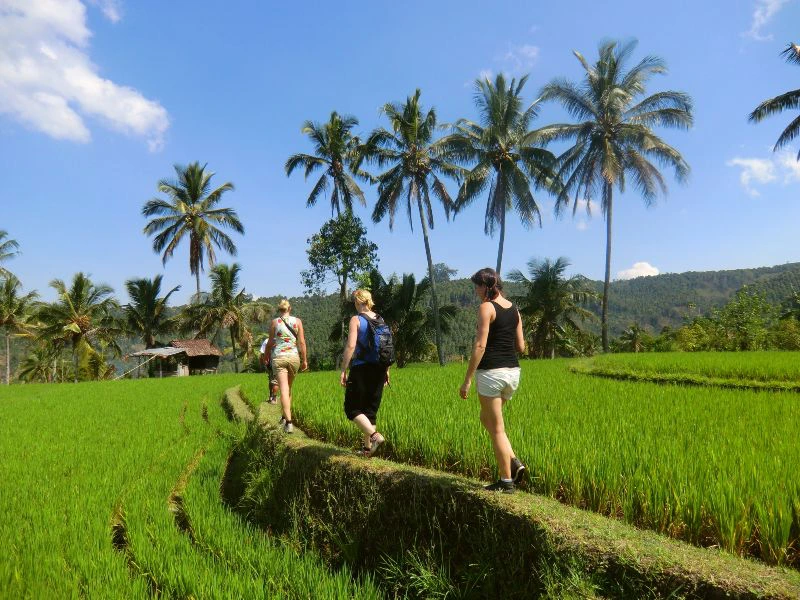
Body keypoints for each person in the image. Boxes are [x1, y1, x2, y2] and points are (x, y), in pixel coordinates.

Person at [459, 268, 526, 493]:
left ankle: (506, 481)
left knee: (497, 429)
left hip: (491, 373)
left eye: (477, 286)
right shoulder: (515, 309)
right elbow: (521, 346)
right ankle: (514, 462)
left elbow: (480, 346)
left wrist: (467, 380)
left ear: (486, 286)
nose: (476, 291)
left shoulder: (486, 307)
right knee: (486, 418)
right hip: (513, 373)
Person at [340, 289, 390, 456]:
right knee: (370, 411)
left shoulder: (356, 319)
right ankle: (367, 449)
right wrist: (387, 370)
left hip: (362, 368)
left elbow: (351, 345)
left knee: (352, 409)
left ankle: (375, 436)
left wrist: (343, 369)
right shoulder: (380, 319)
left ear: (357, 302)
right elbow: (386, 347)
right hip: (380, 368)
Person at [264, 299, 308, 433]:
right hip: (294, 358)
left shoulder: (275, 322)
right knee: (288, 388)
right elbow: (302, 342)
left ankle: (288, 422)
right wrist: (305, 360)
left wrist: (266, 356)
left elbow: (270, 343)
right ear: (290, 308)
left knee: (283, 389)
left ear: (279, 309)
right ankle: (285, 417)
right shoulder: (297, 321)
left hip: (279, 357)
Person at [259, 337, 279, 404]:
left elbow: (262, 353)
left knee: (272, 380)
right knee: (275, 380)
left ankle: (271, 396)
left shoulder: (267, 340)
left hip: (271, 363)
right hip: (278, 362)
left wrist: (263, 362)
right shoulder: (282, 339)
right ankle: (273, 397)